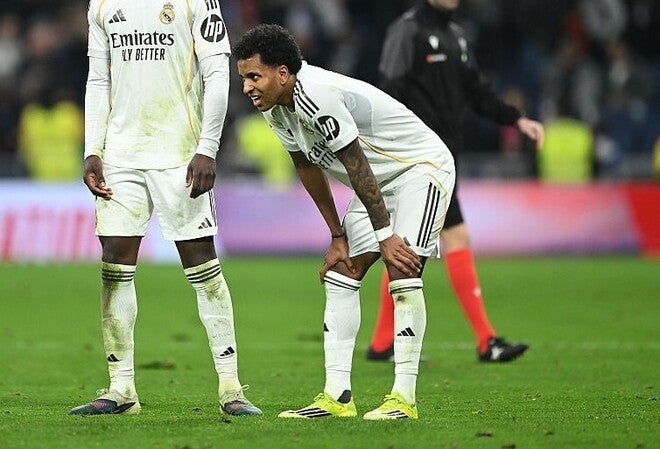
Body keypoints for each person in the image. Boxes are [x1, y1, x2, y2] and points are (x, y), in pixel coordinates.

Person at [234, 24, 456, 420]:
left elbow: (356, 164)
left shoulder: (315, 94)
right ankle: (337, 397)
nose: (247, 87)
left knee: (402, 269)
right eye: (244, 78)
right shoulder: (275, 108)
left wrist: (385, 236)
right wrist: (337, 235)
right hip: (377, 183)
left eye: (254, 76)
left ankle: (403, 399)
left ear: (282, 73)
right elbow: (306, 166)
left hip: (419, 169)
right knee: (342, 271)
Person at [69, 0, 261, 417]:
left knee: (201, 263)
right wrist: (93, 149)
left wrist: (208, 147)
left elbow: (216, 73)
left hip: (180, 154)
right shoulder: (101, 5)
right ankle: (121, 389)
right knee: (114, 262)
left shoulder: (198, 2)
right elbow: (98, 79)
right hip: (121, 155)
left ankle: (231, 388)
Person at [366, 0, 545, 363]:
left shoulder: (456, 36)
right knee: (452, 237)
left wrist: (517, 119)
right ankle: (486, 340)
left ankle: (382, 342)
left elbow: (478, 93)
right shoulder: (407, 30)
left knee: (410, 248)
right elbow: (388, 92)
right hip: (417, 159)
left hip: (444, 157)